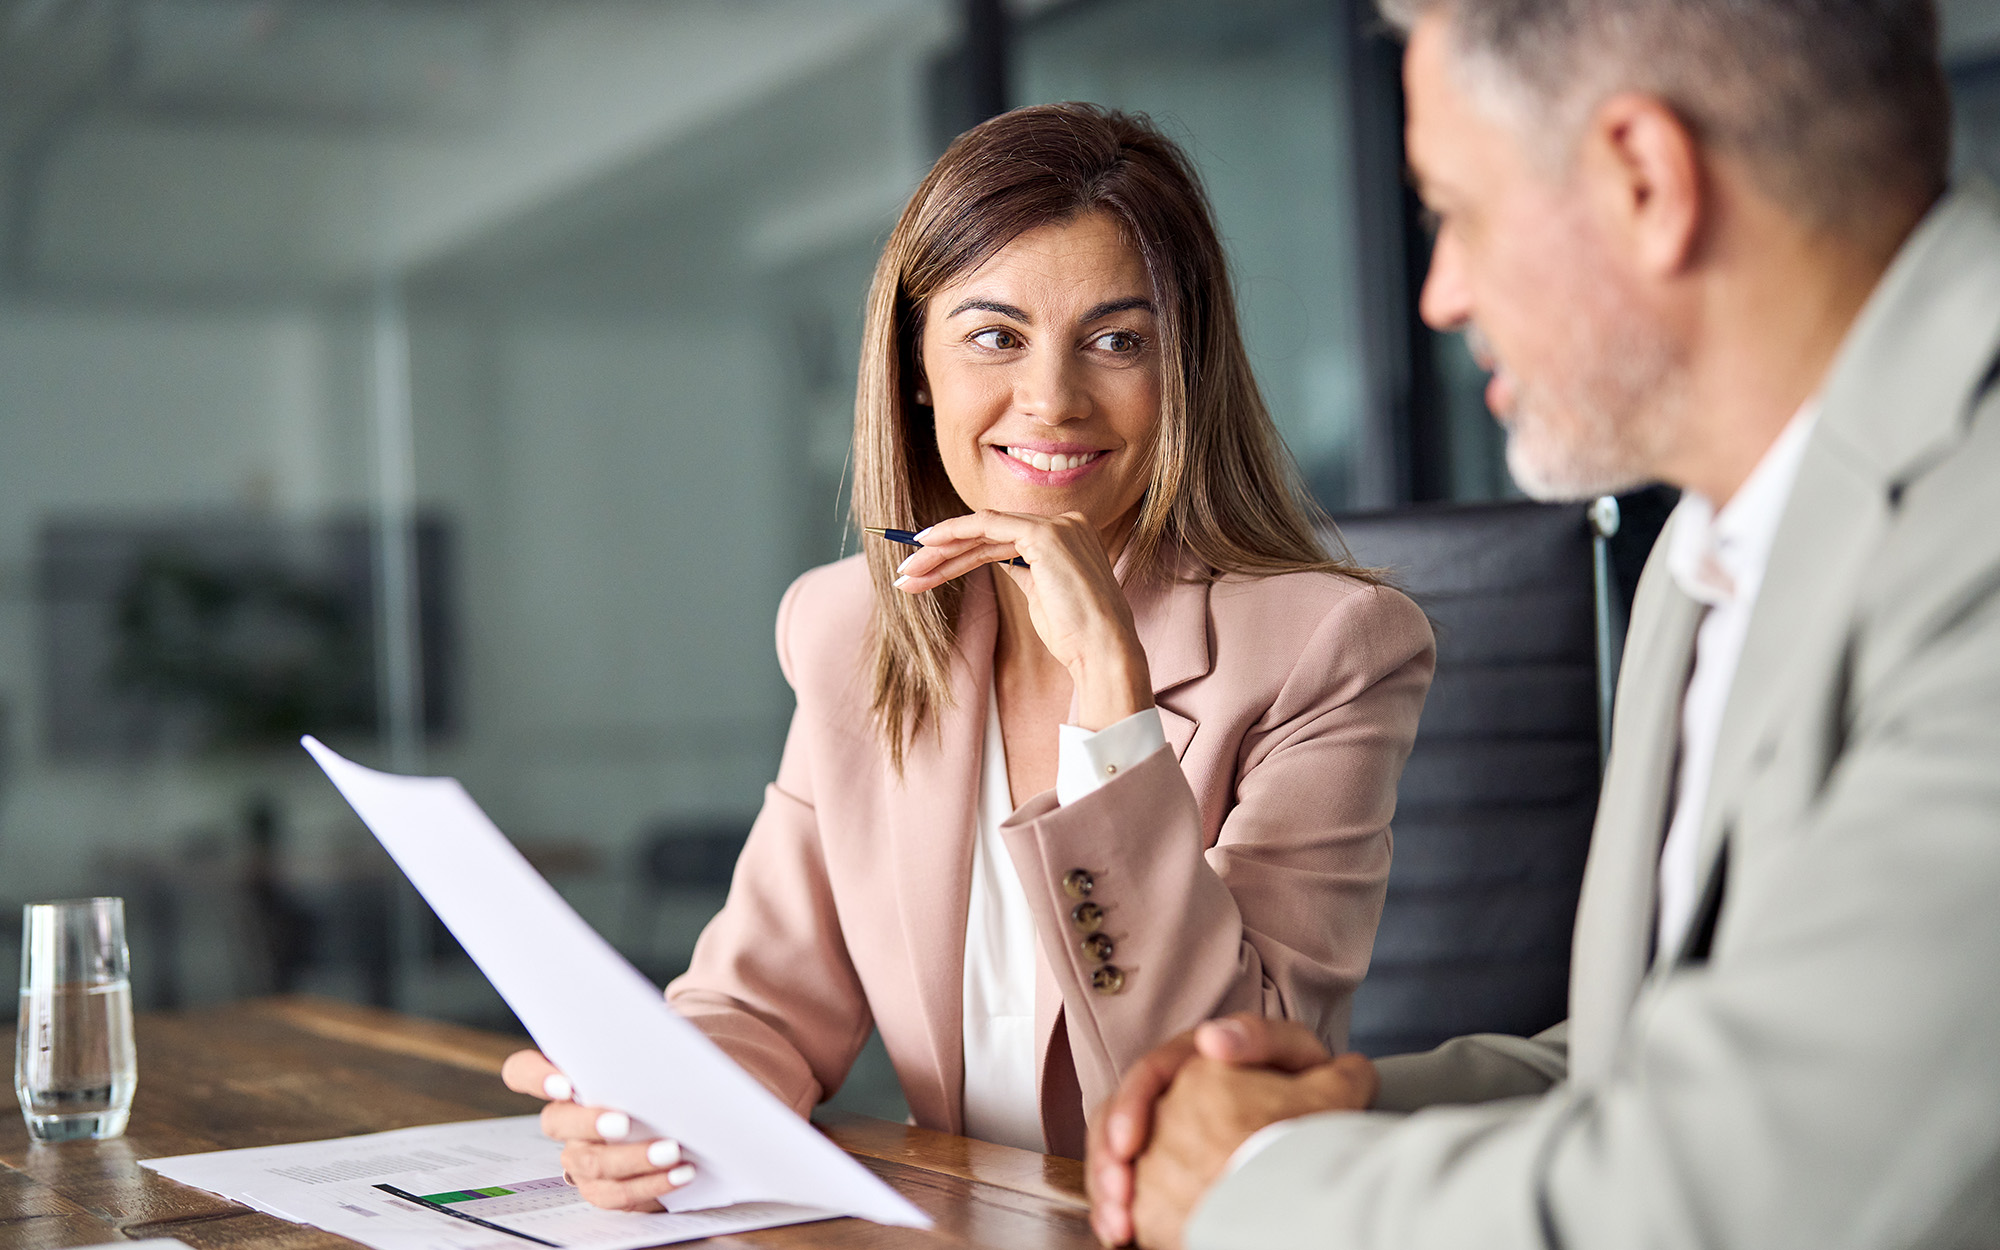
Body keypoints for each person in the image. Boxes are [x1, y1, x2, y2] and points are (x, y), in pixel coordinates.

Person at [1087, 0, 2000, 1246]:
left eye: (1454, 214)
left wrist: (1253, 1184)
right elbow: (1651, 1061)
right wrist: (1331, 1112)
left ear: (1643, 181)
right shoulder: (1710, 543)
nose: (1438, 296)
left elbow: (1752, 1192)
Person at [500, 102, 1436, 1211]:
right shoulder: (851, 630)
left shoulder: (1328, 648)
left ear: (1183, 369)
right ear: (915, 367)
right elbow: (762, 1003)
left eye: (1117, 341)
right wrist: (664, 1104)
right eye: (995, 336)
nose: (1052, 401)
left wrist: (1114, 702)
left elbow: (1229, 1081)